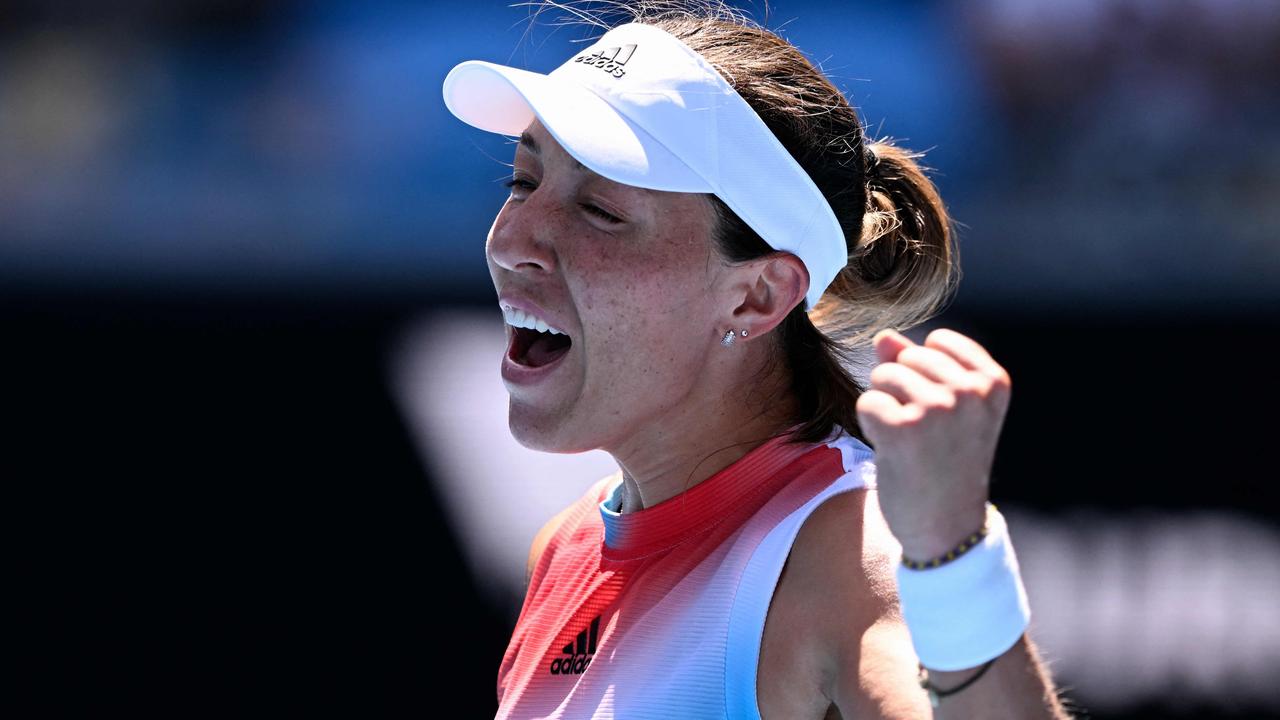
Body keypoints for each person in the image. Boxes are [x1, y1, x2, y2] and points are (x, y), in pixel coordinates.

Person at [442, 2, 1072, 717]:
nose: (511, 239)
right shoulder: (567, 547)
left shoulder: (852, 552)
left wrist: (954, 561)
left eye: (601, 211)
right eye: (522, 182)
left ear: (757, 296)